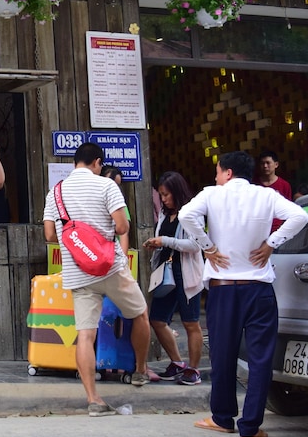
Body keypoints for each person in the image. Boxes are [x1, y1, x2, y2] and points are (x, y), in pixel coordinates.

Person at [178, 151, 308, 437]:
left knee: (223, 354)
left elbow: (186, 215)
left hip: (224, 288)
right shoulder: (266, 195)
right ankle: (250, 426)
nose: (215, 177)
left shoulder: (212, 194)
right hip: (259, 288)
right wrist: (272, 243)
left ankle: (222, 418)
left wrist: (207, 247)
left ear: (227, 172)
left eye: (217, 171)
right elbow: (300, 215)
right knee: (261, 358)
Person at [42, 142, 151, 417]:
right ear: (97, 163)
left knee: (85, 334)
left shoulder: (55, 192)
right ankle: (140, 370)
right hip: (111, 268)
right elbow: (122, 227)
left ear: (75, 163)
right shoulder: (107, 186)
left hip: (78, 272)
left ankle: (93, 399)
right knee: (140, 314)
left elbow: (50, 235)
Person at [142, 171, 203, 385]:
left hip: (186, 271)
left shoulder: (191, 213)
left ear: (177, 192)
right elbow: (165, 240)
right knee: (157, 319)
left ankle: (193, 369)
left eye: (166, 194)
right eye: (161, 195)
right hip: (166, 271)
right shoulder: (165, 214)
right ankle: (177, 362)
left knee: (190, 322)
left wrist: (165, 241)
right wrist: (156, 244)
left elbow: (196, 245)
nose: (164, 199)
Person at [101, 164, 130, 257]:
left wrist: (123, 258)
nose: (114, 188)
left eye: (117, 185)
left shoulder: (120, 205)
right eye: (111, 184)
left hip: (113, 253)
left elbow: (124, 233)